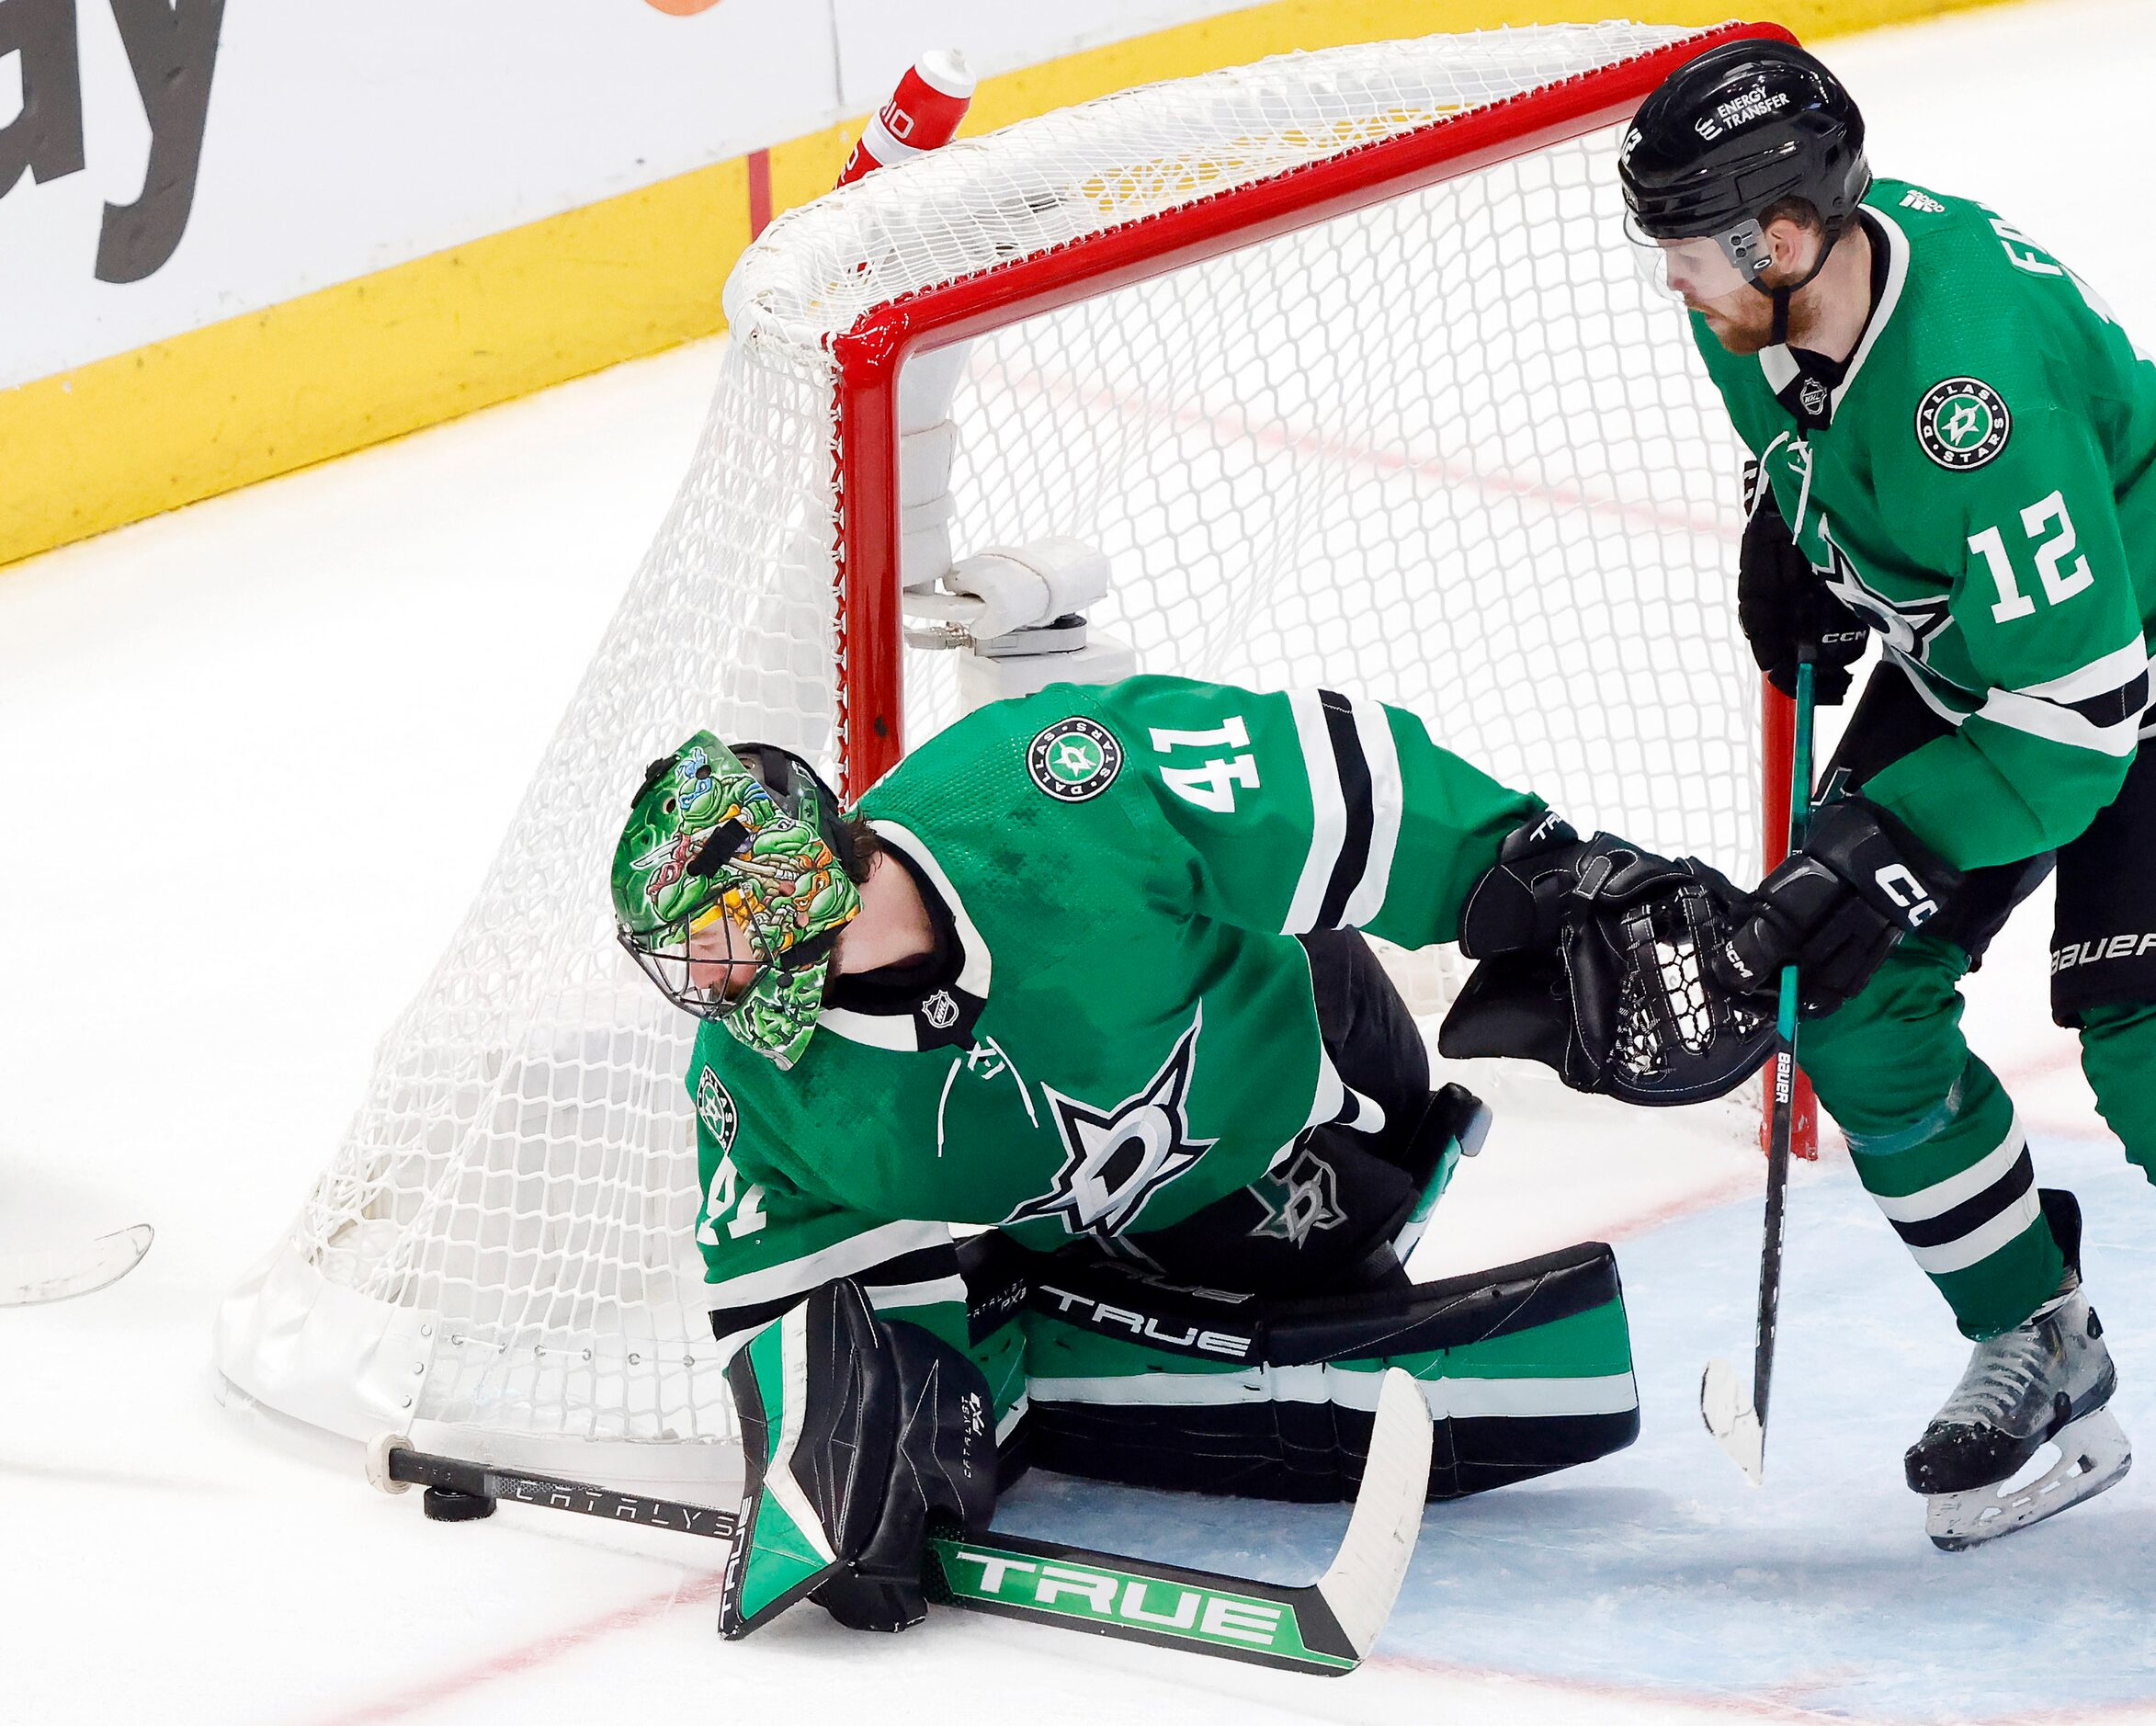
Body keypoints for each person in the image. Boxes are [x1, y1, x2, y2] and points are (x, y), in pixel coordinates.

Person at [610, 679, 1767, 1639]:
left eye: (713, 944)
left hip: (1304, 1121)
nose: (700, 987)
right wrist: (850, 1453)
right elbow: (790, 1294)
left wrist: (1537, 876)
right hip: (1069, 1217)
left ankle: (1233, 1278)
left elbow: (1313, 776)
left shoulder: (1040, 785)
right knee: (951, 1408)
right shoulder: (743, 1081)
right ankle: (1048, 1316)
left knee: (1302, 1267)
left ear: (795, 891)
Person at [1622, 39, 2149, 1548]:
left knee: (2147, 1050)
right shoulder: (1769, 303)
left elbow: (2080, 720)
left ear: (1780, 236)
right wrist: (1790, 531)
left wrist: (1878, 838)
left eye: (1686, 252)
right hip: (1983, 650)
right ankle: (2036, 1333)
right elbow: (1801, 423)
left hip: (2120, 659)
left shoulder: (1972, 399)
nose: (1673, 284)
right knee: (1847, 991)